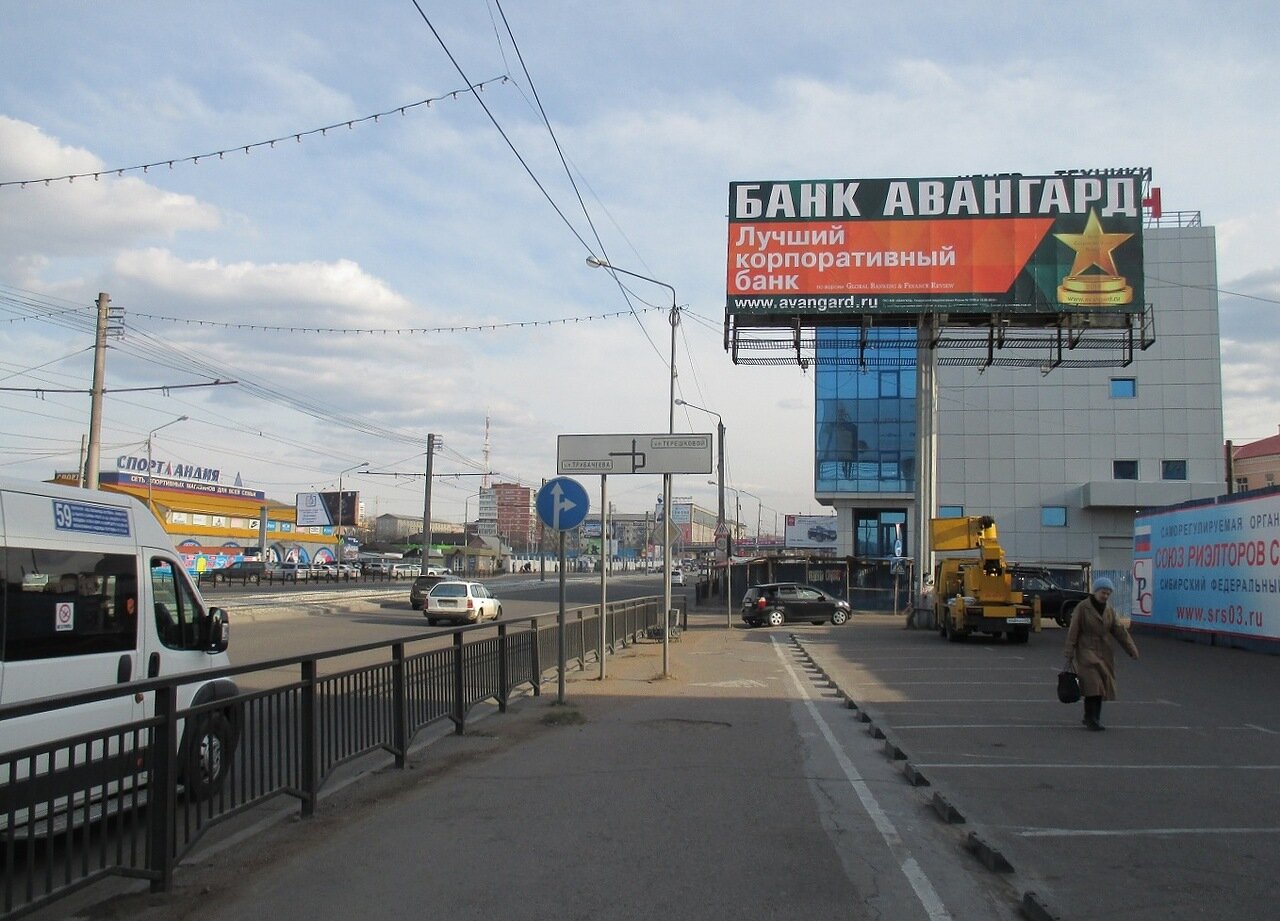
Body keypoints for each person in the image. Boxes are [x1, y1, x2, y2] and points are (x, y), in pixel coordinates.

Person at [1063, 576, 1139, 731]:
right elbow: (1074, 630)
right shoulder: (1083, 608)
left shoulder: (1109, 610)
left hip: (1104, 651)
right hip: (1086, 650)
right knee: (1093, 684)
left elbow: (1119, 631)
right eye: (1103, 592)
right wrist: (1069, 651)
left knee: (1101, 686)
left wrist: (1131, 649)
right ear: (1096, 591)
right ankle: (1092, 718)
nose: (1105, 596)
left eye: (1108, 593)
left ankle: (1092, 717)